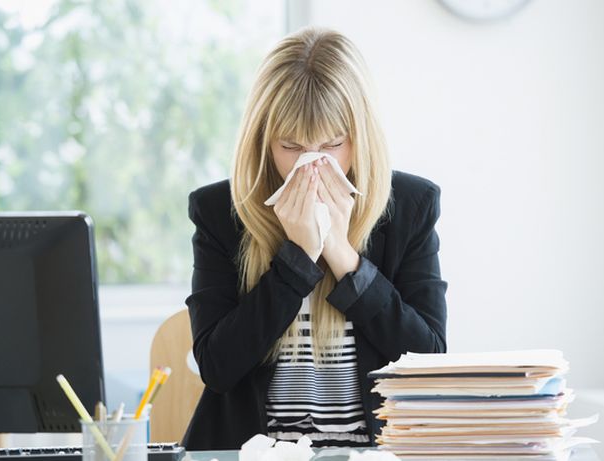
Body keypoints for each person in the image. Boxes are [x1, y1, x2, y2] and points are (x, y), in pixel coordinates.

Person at [182, 27, 447, 449]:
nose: (311, 165)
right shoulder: (219, 212)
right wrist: (297, 261)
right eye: (291, 146)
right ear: (263, 141)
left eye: (332, 144)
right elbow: (217, 368)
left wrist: (342, 255)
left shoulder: (411, 206)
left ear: (359, 138)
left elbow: (428, 364)